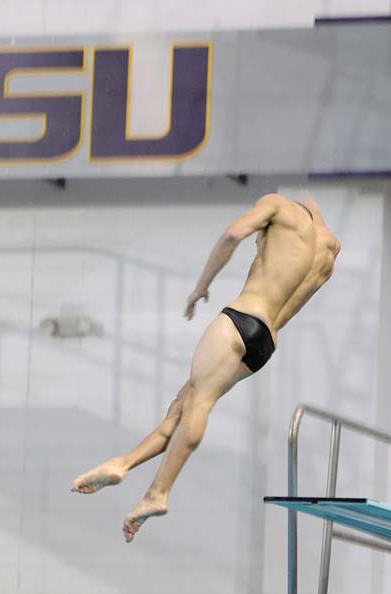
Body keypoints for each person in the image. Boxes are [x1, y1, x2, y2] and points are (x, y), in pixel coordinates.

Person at [71, 194, 340, 543]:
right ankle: (123, 463)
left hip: (243, 317)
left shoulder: (280, 206)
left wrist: (201, 287)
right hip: (265, 343)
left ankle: (159, 493)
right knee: (182, 407)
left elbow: (232, 235)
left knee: (199, 403)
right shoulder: (329, 252)